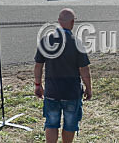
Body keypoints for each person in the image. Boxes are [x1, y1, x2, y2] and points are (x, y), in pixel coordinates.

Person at [34, 8, 92, 143]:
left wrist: (38, 85)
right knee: (70, 124)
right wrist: (89, 88)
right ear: (72, 23)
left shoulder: (45, 40)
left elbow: (38, 66)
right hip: (71, 93)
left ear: (59, 21)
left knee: (51, 124)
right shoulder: (76, 43)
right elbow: (84, 70)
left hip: (52, 92)